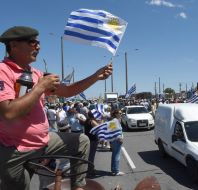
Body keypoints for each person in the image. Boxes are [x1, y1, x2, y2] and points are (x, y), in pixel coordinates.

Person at [0, 26, 113, 190]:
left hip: (43, 142)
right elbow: (8, 112)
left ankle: (78, 187)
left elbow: (67, 91)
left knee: (82, 141)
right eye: (32, 42)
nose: (38, 46)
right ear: (14, 45)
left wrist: (96, 76)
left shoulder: (36, 73)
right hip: (14, 151)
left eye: (38, 43)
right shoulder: (3, 70)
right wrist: (40, 87)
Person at [109, 109, 125, 176]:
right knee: (116, 156)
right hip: (116, 140)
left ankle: (114, 170)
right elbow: (112, 131)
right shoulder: (114, 121)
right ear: (116, 114)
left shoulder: (116, 120)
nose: (121, 114)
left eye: (121, 113)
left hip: (115, 140)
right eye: (120, 113)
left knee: (114, 155)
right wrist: (119, 138)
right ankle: (116, 171)